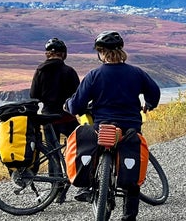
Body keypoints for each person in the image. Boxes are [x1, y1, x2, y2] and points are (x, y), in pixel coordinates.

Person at [65, 31, 161, 221]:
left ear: (101, 53)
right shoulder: (136, 73)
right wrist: (148, 104)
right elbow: (154, 93)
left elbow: (76, 105)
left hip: (102, 127)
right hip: (130, 127)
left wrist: (68, 105)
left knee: (91, 145)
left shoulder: (94, 75)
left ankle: (89, 186)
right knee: (131, 169)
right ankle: (129, 216)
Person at [30, 37, 80, 141]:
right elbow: (78, 94)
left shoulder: (40, 71)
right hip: (67, 116)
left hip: (48, 117)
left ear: (47, 54)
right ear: (63, 54)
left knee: (52, 151)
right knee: (78, 144)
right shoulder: (69, 71)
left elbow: (33, 95)